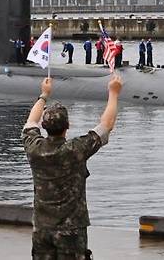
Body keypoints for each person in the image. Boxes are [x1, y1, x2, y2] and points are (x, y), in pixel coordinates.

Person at [22, 74, 121, 259]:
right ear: (67, 125)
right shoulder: (75, 149)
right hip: (71, 231)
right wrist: (114, 92)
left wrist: (44, 94)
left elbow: (30, 122)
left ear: (44, 127)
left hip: (42, 229)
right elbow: (107, 125)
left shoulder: (34, 148)